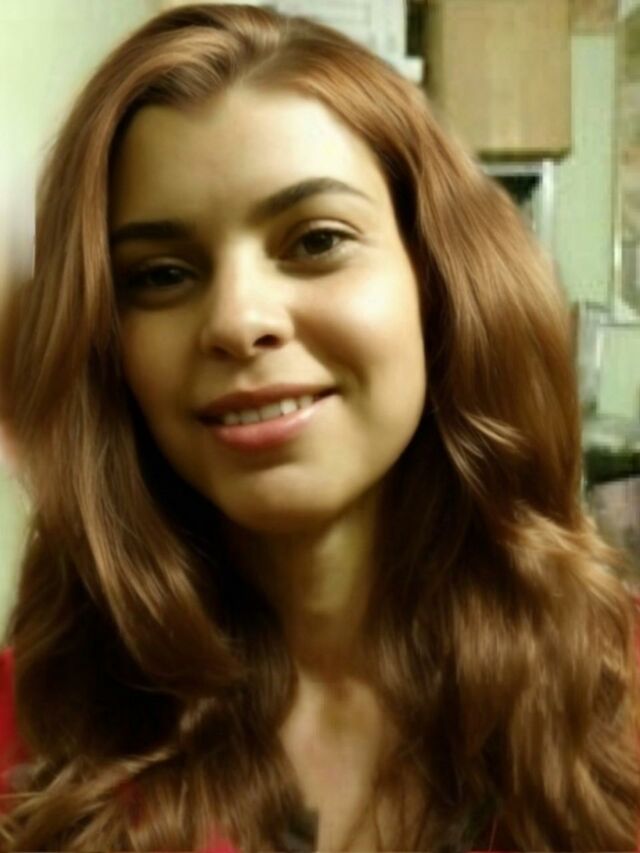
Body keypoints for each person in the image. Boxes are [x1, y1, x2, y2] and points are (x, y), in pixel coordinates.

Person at [0, 3, 638, 851]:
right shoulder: (33, 728)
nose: (238, 320)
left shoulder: (618, 690)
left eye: (315, 241)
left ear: (438, 280)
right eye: (161, 274)